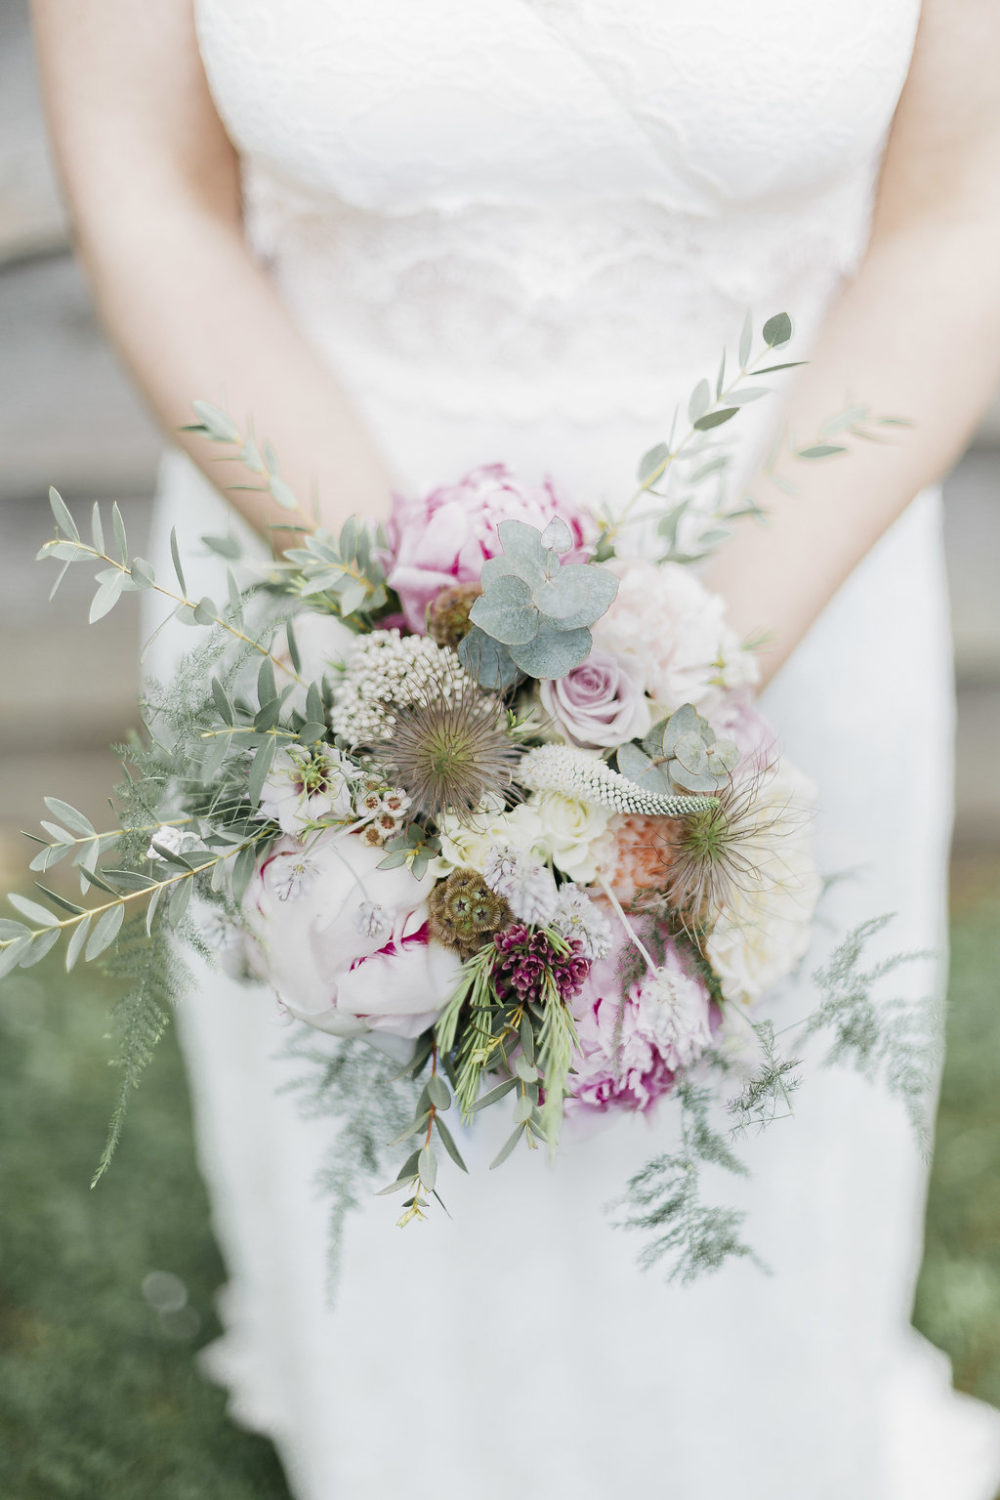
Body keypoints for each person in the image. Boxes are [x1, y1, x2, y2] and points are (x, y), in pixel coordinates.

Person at [33, 2, 1000, 1495]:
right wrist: (425, 663)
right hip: (325, 551)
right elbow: (153, 195)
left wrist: (687, 682)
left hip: (792, 556)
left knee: (752, 1166)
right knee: (400, 1173)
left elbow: (957, 220)